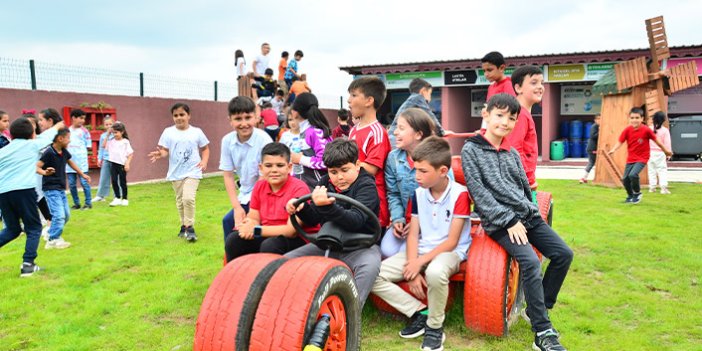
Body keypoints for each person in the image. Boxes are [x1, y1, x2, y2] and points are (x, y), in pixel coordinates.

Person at [461, 93, 573, 351]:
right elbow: (480, 194)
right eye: (499, 116)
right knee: (530, 262)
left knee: (563, 254)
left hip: (527, 217)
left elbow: (524, 188)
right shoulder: (471, 150)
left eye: (511, 118)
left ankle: (538, 308)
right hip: (499, 223)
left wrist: (532, 211)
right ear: (486, 114)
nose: (505, 123)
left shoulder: (511, 152)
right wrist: (509, 220)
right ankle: (542, 333)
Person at [373, 136, 471, 351]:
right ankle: (419, 312)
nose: (416, 176)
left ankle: (435, 328)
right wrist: (413, 267)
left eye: (423, 171)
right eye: (415, 170)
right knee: (374, 275)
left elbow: (452, 242)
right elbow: (413, 234)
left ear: (443, 171)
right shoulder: (418, 194)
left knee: (436, 272)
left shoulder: (460, 195)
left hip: (450, 252)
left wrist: (419, 263)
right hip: (422, 250)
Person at [285, 138, 381, 308]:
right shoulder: (324, 183)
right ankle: (295, 306)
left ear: (357, 165)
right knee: (286, 262)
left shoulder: (366, 186)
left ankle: (350, 312)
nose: (339, 177)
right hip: (329, 242)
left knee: (370, 267)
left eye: (345, 170)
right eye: (333, 172)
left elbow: (356, 221)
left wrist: (328, 207)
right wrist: (300, 208)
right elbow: (313, 217)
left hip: (360, 245)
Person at [225, 143, 313, 261]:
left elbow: (291, 231)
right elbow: (254, 217)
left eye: (280, 165)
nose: (274, 170)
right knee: (234, 240)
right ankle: (238, 277)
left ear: (289, 167)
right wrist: (249, 224)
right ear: (261, 168)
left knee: (270, 246)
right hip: (267, 233)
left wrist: (255, 230)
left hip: (299, 238)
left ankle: (268, 278)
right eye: (268, 165)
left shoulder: (299, 188)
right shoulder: (259, 186)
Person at [0, 117, 64, 277]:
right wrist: (57, 126)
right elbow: (47, 137)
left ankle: (28, 263)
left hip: (3, 193)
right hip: (24, 191)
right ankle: (28, 265)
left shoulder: (4, 151)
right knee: (34, 228)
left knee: (13, 229)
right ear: (31, 134)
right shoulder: (32, 145)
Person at [149, 103, 210, 241]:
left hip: (193, 171)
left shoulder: (197, 132)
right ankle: (183, 226)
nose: (179, 118)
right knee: (180, 201)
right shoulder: (168, 132)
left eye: (182, 114)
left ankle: (190, 228)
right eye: (175, 115)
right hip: (176, 173)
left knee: (188, 198)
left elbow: (205, 148)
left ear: (189, 116)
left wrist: (204, 161)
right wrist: (160, 154)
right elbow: (165, 150)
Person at [381, 108, 436, 258]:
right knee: (386, 250)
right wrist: (398, 219)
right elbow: (393, 194)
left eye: (401, 128)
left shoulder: (437, 157)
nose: (395, 132)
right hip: (405, 221)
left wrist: (420, 223)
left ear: (418, 134)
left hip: (432, 223)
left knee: (402, 253)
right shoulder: (393, 158)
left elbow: (444, 197)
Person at [220, 96, 273, 242]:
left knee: (251, 228)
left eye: (248, 117)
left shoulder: (264, 140)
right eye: (238, 119)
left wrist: (251, 213)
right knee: (228, 221)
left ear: (256, 118)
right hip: (244, 194)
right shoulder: (227, 141)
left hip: (266, 193)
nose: (244, 123)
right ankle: (231, 263)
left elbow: (265, 177)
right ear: (230, 120)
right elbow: (228, 176)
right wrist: (237, 208)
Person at [347, 76, 391, 228]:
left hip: (372, 203)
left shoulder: (377, 132)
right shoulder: (353, 130)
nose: (348, 100)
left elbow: (372, 169)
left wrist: (343, 168)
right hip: (352, 195)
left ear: (369, 101)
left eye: (353, 95)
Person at [37, 128, 91, 249]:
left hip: (60, 188)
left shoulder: (64, 151)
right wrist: (45, 172)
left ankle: (50, 231)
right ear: (60, 139)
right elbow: (37, 167)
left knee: (66, 215)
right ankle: (53, 240)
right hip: (51, 189)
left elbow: (71, 162)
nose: (69, 140)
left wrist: (82, 174)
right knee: (59, 215)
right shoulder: (49, 152)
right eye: (68, 138)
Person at [608, 107, 673, 204]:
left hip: (642, 157)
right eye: (632, 118)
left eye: (637, 118)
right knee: (625, 179)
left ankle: (637, 193)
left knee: (633, 174)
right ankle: (630, 196)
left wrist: (666, 151)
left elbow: (658, 142)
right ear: (629, 118)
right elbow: (620, 141)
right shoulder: (627, 130)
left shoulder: (646, 130)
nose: (634, 120)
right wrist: (613, 149)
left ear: (642, 119)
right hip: (631, 158)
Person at [507, 66, 542, 190]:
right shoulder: (520, 114)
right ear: (518, 88)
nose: (540, 87)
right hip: (520, 184)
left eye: (541, 82)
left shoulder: (522, 112)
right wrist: (529, 180)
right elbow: (513, 151)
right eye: (534, 83)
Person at [388, 78, 450, 147]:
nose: (430, 98)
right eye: (429, 94)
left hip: (395, 137)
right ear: (423, 91)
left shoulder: (411, 100)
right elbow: (430, 116)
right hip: (396, 138)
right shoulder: (417, 98)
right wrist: (441, 132)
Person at [289, 93, 333, 190]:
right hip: (304, 189)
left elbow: (327, 162)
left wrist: (301, 159)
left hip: (319, 191)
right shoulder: (304, 131)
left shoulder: (316, 132)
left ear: (294, 112)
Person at [66, 109, 93, 210]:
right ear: (73, 118)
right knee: (72, 184)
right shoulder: (67, 131)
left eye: (84, 119)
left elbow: (88, 146)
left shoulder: (85, 131)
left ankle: (88, 203)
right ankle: (76, 203)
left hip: (81, 162)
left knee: (84, 182)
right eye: (81, 118)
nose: (83, 121)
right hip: (69, 162)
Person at [105, 122, 134, 207]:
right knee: (114, 181)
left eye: (116, 132)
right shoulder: (111, 141)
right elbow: (104, 146)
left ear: (122, 132)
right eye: (113, 132)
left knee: (122, 182)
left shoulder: (125, 142)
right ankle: (117, 198)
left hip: (122, 165)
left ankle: (124, 198)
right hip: (113, 164)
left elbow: (130, 154)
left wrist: (127, 164)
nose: (115, 134)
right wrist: (107, 134)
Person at [647, 111, 672, 194]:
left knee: (651, 170)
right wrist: (668, 153)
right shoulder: (665, 131)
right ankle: (663, 188)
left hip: (650, 153)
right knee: (662, 170)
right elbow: (667, 143)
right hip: (660, 153)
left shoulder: (649, 129)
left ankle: (652, 187)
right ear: (663, 120)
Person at [93, 116, 114, 201]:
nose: (108, 126)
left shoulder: (117, 134)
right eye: (106, 124)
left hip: (115, 159)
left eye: (110, 124)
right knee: (104, 178)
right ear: (104, 126)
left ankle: (117, 195)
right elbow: (101, 148)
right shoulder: (103, 136)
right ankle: (100, 196)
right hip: (106, 159)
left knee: (116, 179)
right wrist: (99, 159)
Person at [580, 114, 600, 184]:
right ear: (595, 120)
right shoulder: (594, 126)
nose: (599, 120)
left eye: (601, 119)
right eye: (598, 119)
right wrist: (600, 131)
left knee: (593, 163)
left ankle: (584, 178)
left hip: (593, 148)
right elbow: (593, 136)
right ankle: (583, 177)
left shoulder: (598, 127)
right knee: (592, 162)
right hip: (592, 148)